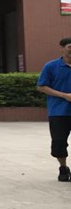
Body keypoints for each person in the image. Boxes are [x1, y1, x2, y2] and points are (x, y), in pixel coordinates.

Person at [37, 37, 71, 182]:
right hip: (59, 112)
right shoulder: (51, 66)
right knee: (58, 142)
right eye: (70, 47)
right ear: (61, 48)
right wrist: (64, 95)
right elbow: (41, 86)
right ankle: (63, 167)